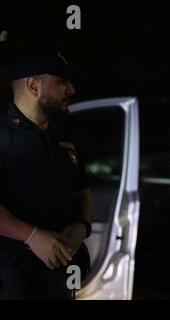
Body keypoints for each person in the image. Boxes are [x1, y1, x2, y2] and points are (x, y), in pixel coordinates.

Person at [0, 47, 93, 299]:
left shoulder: (65, 136)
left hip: (58, 280)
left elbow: (82, 193)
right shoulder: (3, 135)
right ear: (33, 85)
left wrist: (81, 228)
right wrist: (31, 236)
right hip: (12, 279)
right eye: (62, 82)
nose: (71, 90)